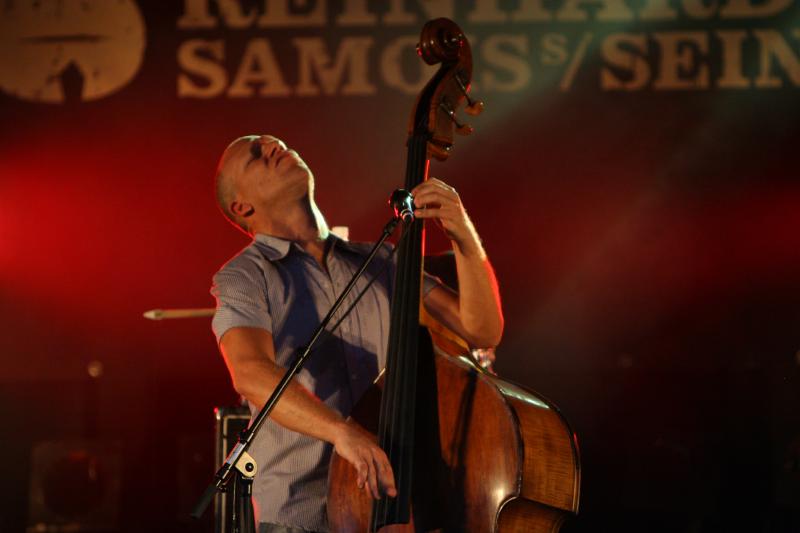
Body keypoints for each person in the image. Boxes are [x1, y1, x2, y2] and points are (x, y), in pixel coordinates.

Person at [210, 134, 503, 533]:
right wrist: (343, 432)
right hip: (302, 516)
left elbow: (481, 328)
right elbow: (250, 372)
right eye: (256, 155)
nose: (273, 146)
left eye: (275, 142)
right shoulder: (245, 276)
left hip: (392, 505)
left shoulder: (381, 260)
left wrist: (462, 232)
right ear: (242, 206)